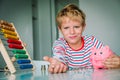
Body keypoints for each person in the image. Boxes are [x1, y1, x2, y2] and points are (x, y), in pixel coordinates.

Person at [43, 4, 120, 73]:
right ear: (60, 29)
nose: (72, 32)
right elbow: (58, 55)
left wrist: (116, 61)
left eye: (76, 27)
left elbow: (108, 55)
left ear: (83, 27)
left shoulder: (92, 41)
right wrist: (58, 63)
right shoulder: (60, 44)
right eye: (66, 28)